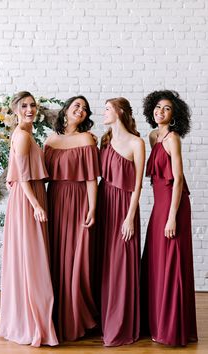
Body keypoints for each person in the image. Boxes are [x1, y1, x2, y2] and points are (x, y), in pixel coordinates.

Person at [0, 91, 58, 347]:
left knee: (29, 257)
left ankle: (27, 318)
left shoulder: (27, 133)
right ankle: (32, 323)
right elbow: (22, 176)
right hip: (27, 201)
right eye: (24, 105)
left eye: (33, 105)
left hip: (32, 197)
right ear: (15, 110)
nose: (30, 109)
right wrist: (35, 205)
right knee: (33, 259)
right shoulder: (22, 136)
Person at [140, 90, 198, 346]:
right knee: (156, 262)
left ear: (174, 116)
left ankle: (172, 328)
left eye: (166, 109)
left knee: (171, 262)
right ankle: (155, 320)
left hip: (173, 205)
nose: (160, 112)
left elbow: (177, 181)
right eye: (158, 107)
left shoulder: (173, 139)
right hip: (159, 206)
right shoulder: (153, 136)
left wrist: (172, 217)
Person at [44, 95, 101, 342]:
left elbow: (91, 178)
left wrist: (92, 208)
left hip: (78, 200)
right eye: (77, 106)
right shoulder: (50, 140)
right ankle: (54, 316)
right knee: (55, 256)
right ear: (65, 110)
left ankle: (79, 316)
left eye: (85, 109)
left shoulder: (87, 139)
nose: (81, 110)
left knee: (79, 260)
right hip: (54, 199)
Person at [97, 97, 145, 346]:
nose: (103, 112)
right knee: (104, 261)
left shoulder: (137, 143)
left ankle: (121, 324)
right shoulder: (104, 140)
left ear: (120, 112)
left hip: (124, 207)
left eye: (107, 109)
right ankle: (103, 320)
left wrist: (129, 218)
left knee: (121, 263)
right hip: (105, 203)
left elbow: (137, 186)